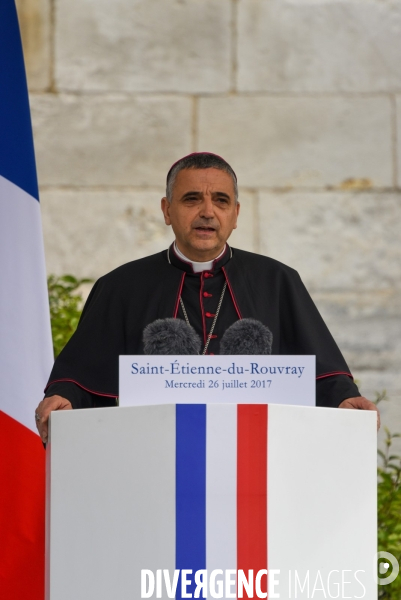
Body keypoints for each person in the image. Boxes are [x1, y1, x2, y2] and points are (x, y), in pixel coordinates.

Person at [35, 152, 379, 443]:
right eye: (191, 199)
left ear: (235, 215)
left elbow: (322, 373)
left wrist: (346, 398)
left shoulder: (277, 281)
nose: (207, 211)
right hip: (150, 456)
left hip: (256, 456)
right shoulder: (121, 286)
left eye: (221, 200)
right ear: (167, 210)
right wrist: (64, 398)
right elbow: (83, 376)